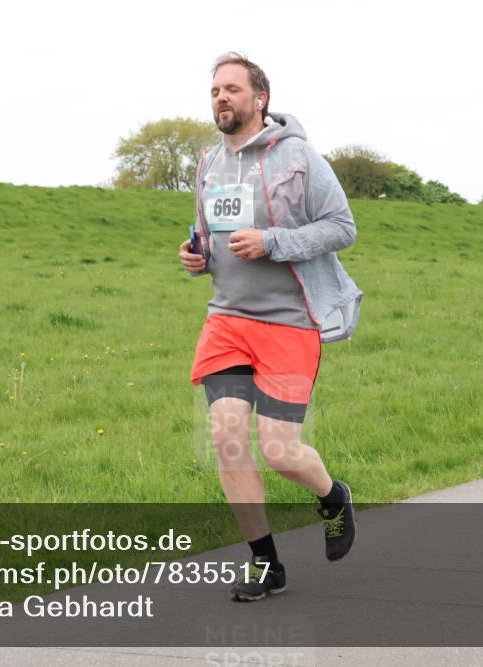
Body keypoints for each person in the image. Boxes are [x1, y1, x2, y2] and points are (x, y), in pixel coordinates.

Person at [179, 52, 362, 602]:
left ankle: (333, 497)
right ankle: (266, 564)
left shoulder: (298, 157)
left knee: (280, 451)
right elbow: (211, 237)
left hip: (288, 323)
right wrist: (197, 256)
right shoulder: (209, 163)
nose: (220, 98)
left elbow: (342, 227)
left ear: (260, 99)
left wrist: (273, 243)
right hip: (228, 319)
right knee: (229, 442)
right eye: (214, 90)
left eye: (232, 89)